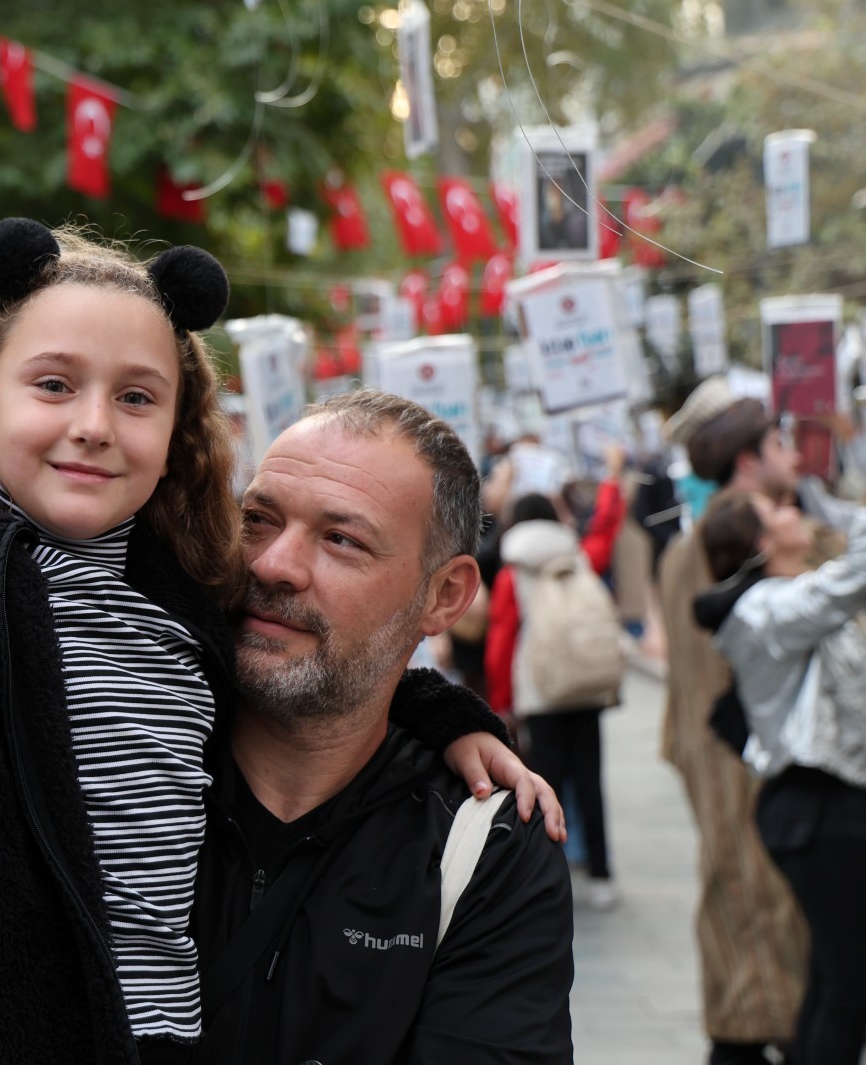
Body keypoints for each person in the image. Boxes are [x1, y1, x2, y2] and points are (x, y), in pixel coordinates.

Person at [0, 204, 543, 1063]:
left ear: (176, 434)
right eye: (54, 385)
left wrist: (443, 718)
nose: (92, 425)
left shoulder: (183, 590)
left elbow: (313, 661)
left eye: (136, 398)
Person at [193, 393, 574, 1064]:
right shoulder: (116, 762)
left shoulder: (483, 851)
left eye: (341, 540)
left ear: (444, 596)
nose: (273, 563)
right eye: (258, 519)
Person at [657, 382, 810, 1064]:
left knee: (744, 896)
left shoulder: (700, 538)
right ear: (747, 460)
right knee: (754, 899)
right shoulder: (737, 536)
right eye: (779, 444)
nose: (794, 457)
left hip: (719, 746)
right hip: (737, 752)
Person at [695, 491, 866, 1065]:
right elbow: (853, 579)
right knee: (850, 984)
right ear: (763, 543)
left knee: (835, 973)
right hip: (814, 811)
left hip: (831, 806)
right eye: (779, 509)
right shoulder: (766, 608)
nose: (795, 509)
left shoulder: (787, 598)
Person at [485, 445, 627, 910]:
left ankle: (549, 878)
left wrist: (501, 700)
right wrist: (612, 479)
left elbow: (502, 639)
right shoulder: (578, 555)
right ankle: (602, 875)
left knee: (544, 785)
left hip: (540, 691)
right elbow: (606, 530)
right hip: (586, 688)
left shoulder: (513, 572)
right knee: (590, 782)